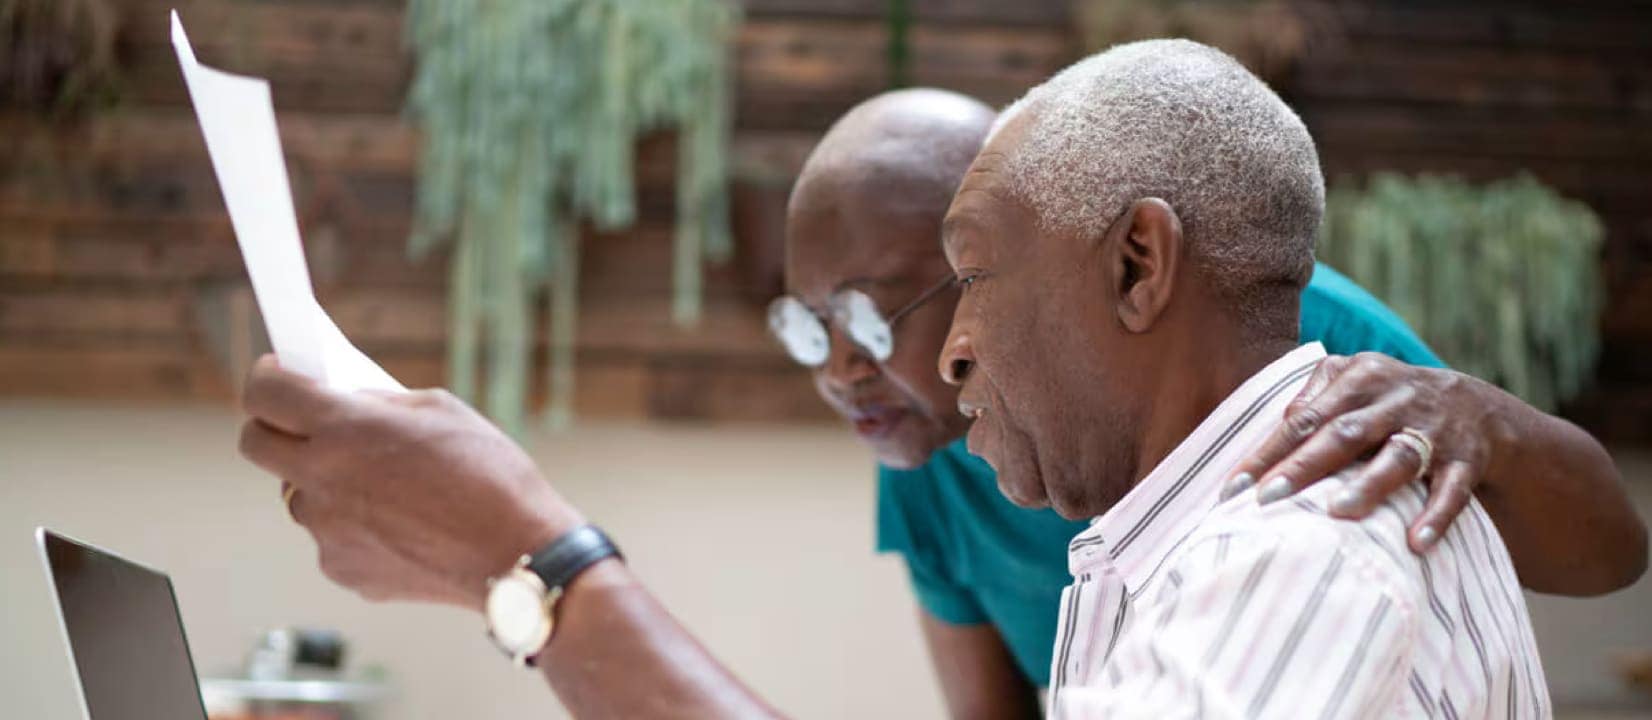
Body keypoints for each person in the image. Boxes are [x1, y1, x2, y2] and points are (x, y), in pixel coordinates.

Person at [235, 44, 1648, 719]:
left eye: (970, 277)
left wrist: (536, 567)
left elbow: (1593, 535)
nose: (937, 353)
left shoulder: (1303, 515)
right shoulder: (1115, 518)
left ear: (1141, 270)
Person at [774, 89, 1645, 716]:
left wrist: (1481, 415)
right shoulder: (925, 444)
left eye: (970, 279)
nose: (843, 370)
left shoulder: (1304, 401)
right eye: (810, 327)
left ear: (1134, 266)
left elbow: (1606, 553)